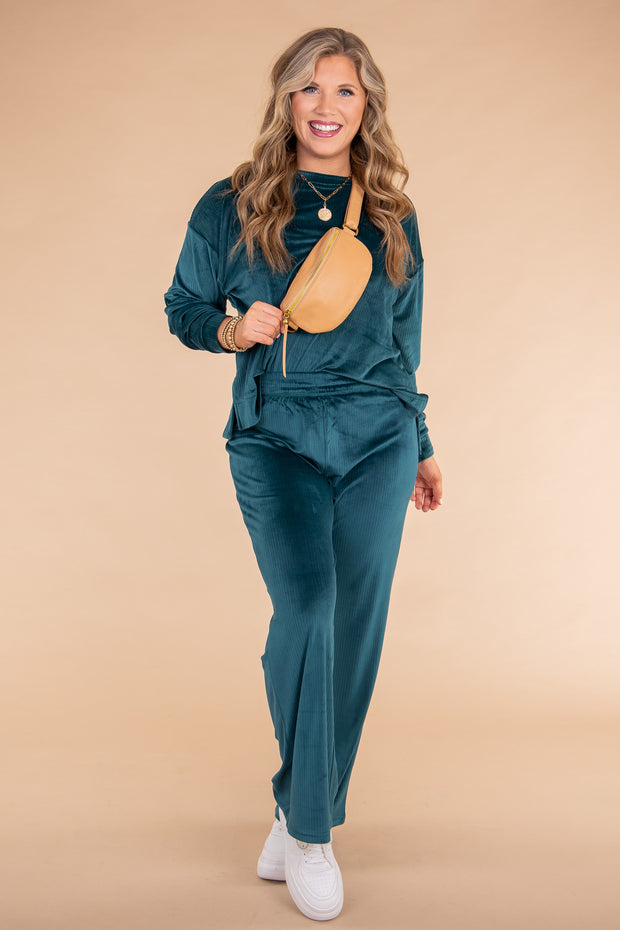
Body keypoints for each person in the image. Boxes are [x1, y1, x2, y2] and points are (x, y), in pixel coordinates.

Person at [163, 26, 443, 922]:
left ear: (368, 107)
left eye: (345, 91)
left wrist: (421, 441)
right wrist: (230, 329)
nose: (327, 107)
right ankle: (309, 818)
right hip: (273, 434)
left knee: (353, 629)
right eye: (310, 89)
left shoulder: (392, 214)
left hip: (377, 439)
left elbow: (403, 344)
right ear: (286, 100)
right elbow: (182, 305)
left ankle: (302, 820)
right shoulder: (232, 202)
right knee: (309, 610)